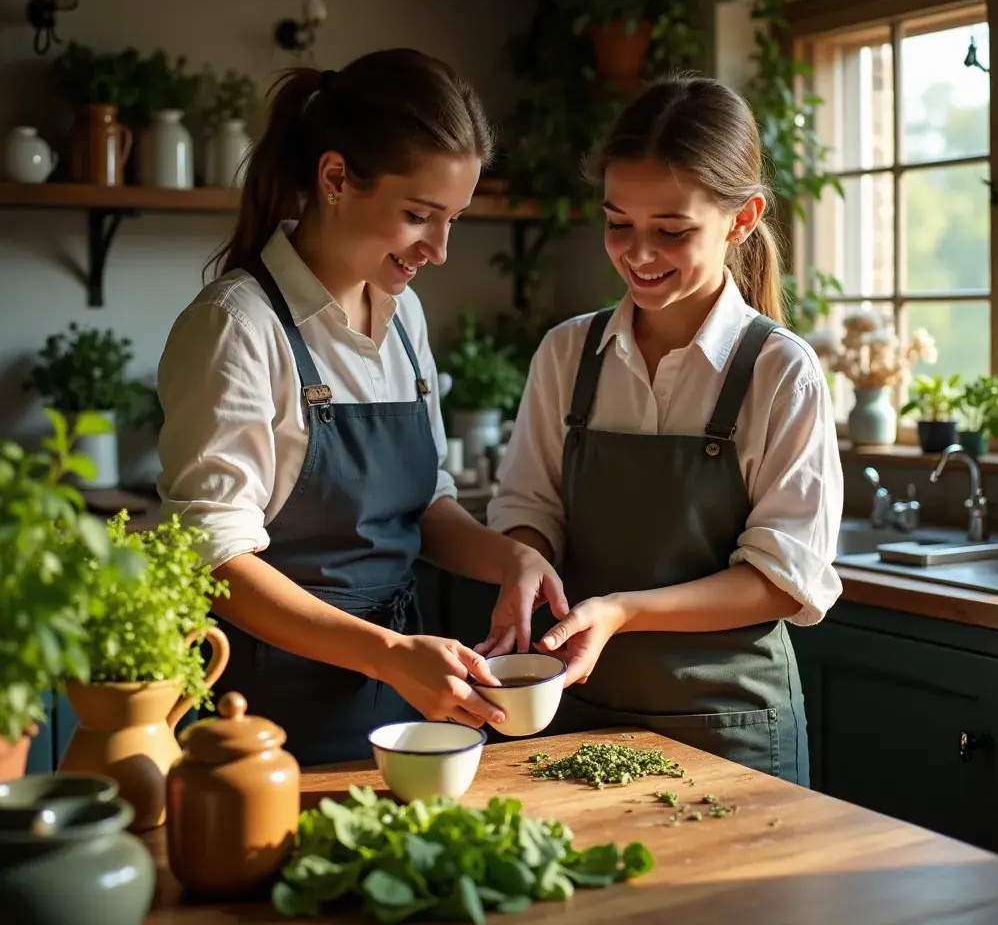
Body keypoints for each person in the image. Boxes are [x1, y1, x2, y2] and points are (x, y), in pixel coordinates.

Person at [157, 49, 566, 767]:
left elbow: (424, 505)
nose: (438, 250)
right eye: (419, 215)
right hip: (264, 715)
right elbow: (213, 557)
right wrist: (387, 654)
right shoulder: (237, 325)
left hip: (403, 704)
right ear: (336, 178)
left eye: (454, 221)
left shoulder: (404, 319)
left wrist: (511, 557)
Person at [480, 75, 843, 785]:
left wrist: (620, 611)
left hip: (732, 730)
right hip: (576, 717)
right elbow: (528, 511)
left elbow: (780, 580)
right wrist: (520, 566)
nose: (638, 254)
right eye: (619, 223)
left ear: (742, 219)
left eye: (672, 231)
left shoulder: (779, 372)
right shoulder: (566, 355)